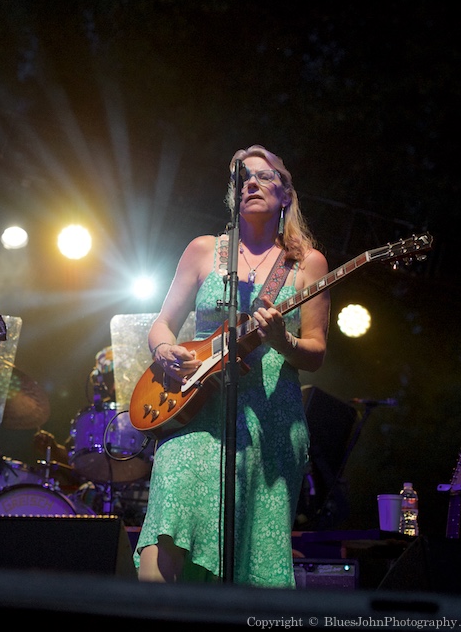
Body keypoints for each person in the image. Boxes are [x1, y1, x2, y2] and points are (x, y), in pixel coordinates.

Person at [135, 145, 330, 587]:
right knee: (164, 533)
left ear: (286, 197)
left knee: (251, 558)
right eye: (244, 179)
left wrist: (284, 339)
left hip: (270, 423)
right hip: (196, 413)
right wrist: (165, 350)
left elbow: (316, 352)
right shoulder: (204, 251)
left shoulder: (306, 264)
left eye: (265, 177)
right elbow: (162, 324)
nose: (252, 183)